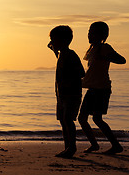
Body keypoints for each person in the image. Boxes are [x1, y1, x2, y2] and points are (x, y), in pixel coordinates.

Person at [78, 21, 126, 154]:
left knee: (97, 119)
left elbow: (122, 60)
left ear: (101, 35)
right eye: (88, 31)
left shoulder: (104, 48)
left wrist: (108, 56)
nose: (89, 34)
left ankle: (116, 146)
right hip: (92, 88)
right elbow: (91, 71)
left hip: (101, 89)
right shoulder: (91, 49)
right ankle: (94, 145)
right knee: (82, 118)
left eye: (92, 32)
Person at [48, 25, 85, 158]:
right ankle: (67, 147)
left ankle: (72, 147)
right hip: (61, 95)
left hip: (71, 94)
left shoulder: (71, 55)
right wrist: (53, 47)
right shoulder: (60, 54)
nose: (51, 42)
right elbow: (51, 47)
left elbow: (81, 72)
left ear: (64, 41)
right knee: (63, 120)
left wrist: (68, 81)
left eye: (54, 39)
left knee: (68, 119)